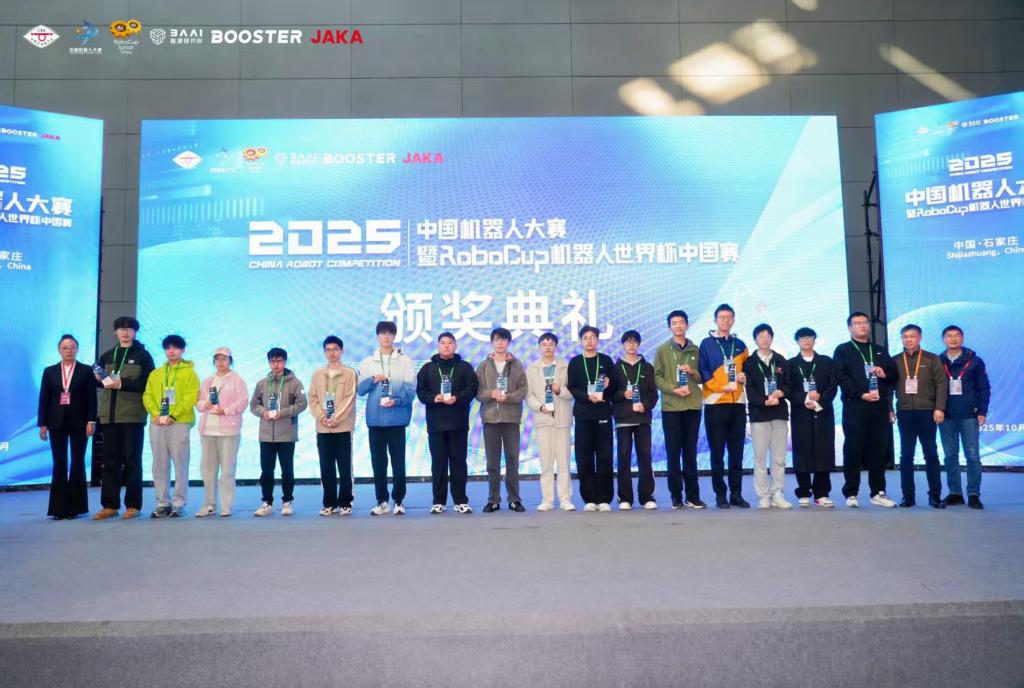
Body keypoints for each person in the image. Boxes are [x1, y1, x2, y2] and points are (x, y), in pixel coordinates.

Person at [92, 316, 155, 520]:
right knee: (109, 462)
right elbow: (99, 381)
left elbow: (148, 384)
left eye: (129, 329)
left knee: (132, 462)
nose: (125, 333)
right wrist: (98, 379)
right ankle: (110, 505)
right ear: (115, 332)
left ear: (135, 332)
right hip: (109, 416)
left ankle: (133, 505)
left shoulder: (143, 356)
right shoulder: (107, 355)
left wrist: (122, 383)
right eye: (121, 329)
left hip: (132, 416)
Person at [833, 312, 899, 508]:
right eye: (857, 323)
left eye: (865, 323)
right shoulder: (843, 350)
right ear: (849, 328)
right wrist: (861, 394)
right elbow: (840, 377)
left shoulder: (878, 350)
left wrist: (884, 373)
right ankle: (851, 493)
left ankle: (878, 492)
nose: (862, 326)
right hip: (856, 406)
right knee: (853, 449)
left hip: (878, 406)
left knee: (878, 449)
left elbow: (894, 375)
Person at [357, 321, 415, 516]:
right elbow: (360, 390)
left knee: (398, 463)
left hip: (397, 420)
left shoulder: (405, 361)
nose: (386, 337)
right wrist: (373, 380)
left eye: (390, 333)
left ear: (394, 336)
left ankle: (399, 501)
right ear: (377, 336)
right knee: (378, 464)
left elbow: (411, 390)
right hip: (376, 421)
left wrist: (396, 400)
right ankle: (382, 501)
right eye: (382, 333)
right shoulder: (368, 362)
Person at [417, 332, 478, 514]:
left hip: (458, 423)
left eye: (450, 343)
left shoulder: (465, 367)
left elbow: (472, 389)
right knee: (438, 463)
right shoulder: (428, 368)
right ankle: (438, 501)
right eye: (443, 343)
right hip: (436, 424)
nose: (446, 346)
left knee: (459, 462)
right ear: (438, 346)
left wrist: (457, 397)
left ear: (455, 346)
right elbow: (421, 391)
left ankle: (461, 500)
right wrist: (433, 398)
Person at [37, 334, 96, 519]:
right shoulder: (49, 371)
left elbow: (91, 398)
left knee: (78, 462)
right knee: (59, 463)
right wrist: (43, 424)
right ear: (59, 350)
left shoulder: (86, 370)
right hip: (56, 422)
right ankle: (58, 509)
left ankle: (75, 508)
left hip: (80, 422)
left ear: (77, 349)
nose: (69, 351)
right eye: (65, 347)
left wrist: (91, 421)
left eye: (72, 347)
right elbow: (44, 398)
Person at [142, 335, 200, 518]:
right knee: (159, 464)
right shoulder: (156, 373)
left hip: (179, 422)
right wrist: (155, 414)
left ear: (183, 350)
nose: (171, 351)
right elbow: (147, 396)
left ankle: (179, 503)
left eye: (175, 348)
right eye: (168, 348)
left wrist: (173, 415)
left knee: (180, 464)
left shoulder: (190, 373)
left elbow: (191, 397)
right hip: (157, 423)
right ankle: (162, 503)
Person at [699, 304, 750, 508]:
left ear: (733, 320)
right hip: (715, 404)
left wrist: (744, 377)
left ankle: (736, 493)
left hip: (738, 404)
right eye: (722, 317)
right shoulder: (706, 344)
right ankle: (720, 494)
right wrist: (721, 387)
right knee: (717, 452)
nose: (726, 320)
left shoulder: (741, 345)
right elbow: (703, 371)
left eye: (729, 317)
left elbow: (749, 370)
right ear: (715, 321)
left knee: (737, 453)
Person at [653, 310, 705, 509]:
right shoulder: (662, 350)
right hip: (672, 407)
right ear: (669, 327)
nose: (678, 326)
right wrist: (673, 389)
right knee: (673, 453)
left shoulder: (695, 349)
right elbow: (657, 377)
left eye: (681, 322)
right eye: (674, 323)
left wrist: (692, 372)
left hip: (692, 406)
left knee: (690, 453)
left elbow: (702, 377)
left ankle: (693, 495)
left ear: (687, 325)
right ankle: (676, 496)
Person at [892, 324, 947, 509]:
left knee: (931, 454)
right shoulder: (895, 360)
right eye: (905, 336)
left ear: (920, 338)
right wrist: (889, 409)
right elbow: (888, 387)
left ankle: (935, 496)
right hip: (905, 413)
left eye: (912, 336)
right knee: (906, 455)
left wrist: (939, 408)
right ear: (901, 338)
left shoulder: (932, 359)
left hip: (927, 412)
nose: (908, 340)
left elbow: (941, 385)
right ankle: (908, 496)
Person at [476, 327, 529, 513]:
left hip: (511, 419)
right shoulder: (483, 366)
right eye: (497, 339)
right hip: (490, 420)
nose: (500, 343)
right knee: (492, 463)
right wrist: (491, 394)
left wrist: (509, 397)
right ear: (492, 342)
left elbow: (523, 390)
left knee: (513, 461)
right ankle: (493, 500)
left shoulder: (517, 365)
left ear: (509, 342)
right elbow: (477, 392)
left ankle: (514, 499)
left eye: (504, 339)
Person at [250, 347, 307, 517]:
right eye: (272, 361)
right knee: (266, 471)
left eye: (279, 361)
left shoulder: (295, 383)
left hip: (286, 434)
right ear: (269, 363)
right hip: (266, 434)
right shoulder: (262, 383)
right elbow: (253, 405)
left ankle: (287, 501)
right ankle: (267, 502)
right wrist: (264, 412)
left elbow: (302, 404)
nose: (276, 364)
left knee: (287, 471)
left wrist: (283, 413)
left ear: (285, 361)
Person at [938, 325, 990, 509]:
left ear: (962, 338)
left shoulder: (975, 361)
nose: (953, 339)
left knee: (973, 456)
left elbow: (984, 388)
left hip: (969, 415)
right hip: (946, 415)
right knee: (950, 456)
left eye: (957, 336)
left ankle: (974, 494)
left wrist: (982, 411)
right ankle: (955, 493)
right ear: (943, 339)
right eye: (949, 336)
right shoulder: (937, 361)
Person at [567, 325, 618, 512]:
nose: (589, 341)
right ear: (581, 341)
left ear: (597, 340)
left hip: (603, 412)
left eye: (593, 337)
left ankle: (604, 498)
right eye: (586, 338)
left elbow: (615, 386)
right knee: (584, 457)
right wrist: (587, 396)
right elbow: (572, 387)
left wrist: (607, 387)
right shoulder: (575, 362)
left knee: (605, 456)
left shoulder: (606, 360)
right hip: (583, 414)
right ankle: (589, 498)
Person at [786, 328, 838, 507]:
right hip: (800, 414)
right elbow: (788, 389)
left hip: (823, 412)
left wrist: (818, 402)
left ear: (815, 340)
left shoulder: (826, 362)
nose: (806, 340)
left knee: (824, 452)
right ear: (797, 341)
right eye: (802, 338)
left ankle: (821, 493)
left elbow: (833, 385)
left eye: (810, 337)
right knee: (802, 451)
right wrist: (806, 398)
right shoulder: (791, 364)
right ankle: (803, 492)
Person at [743, 324, 792, 510]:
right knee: (760, 458)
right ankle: (763, 495)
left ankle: (777, 493)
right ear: (755, 339)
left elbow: (789, 384)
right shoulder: (749, 362)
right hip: (759, 414)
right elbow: (749, 390)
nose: (764, 339)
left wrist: (780, 393)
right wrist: (764, 401)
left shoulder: (780, 360)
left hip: (779, 413)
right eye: (760, 336)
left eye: (767, 335)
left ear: (772, 338)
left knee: (779, 457)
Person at [195, 347, 248, 517]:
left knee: (227, 470)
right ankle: (209, 504)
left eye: (224, 359)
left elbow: (243, 402)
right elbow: (198, 403)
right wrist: (204, 405)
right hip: (208, 430)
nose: (221, 362)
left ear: (230, 361)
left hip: (228, 431)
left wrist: (225, 410)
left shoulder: (237, 380)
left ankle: (226, 505)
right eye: (218, 359)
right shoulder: (208, 381)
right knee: (207, 470)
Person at [309, 336, 358, 516]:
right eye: (328, 350)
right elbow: (313, 399)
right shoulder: (317, 374)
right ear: (324, 352)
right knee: (326, 467)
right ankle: (329, 503)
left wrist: (337, 418)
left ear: (341, 351)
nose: (332, 353)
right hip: (323, 428)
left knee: (345, 467)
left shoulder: (350, 373)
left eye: (335, 349)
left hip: (343, 427)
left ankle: (346, 502)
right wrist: (322, 417)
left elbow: (350, 398)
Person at [525, 332, 575, 511]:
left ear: (556, 347)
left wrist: (560, 390)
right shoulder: (532, 369)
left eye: (551, 344)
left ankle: (565, 499)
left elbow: (573, 392)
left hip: (562, 420)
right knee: (546, 463)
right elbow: (528, 395)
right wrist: (540, 407)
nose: (547, 347)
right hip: (543, 420)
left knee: (563, 462)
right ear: (539, 347)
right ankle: (547, 499)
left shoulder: (565, 366)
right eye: (544, 344)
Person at [611, 330, 659, 510]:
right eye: (628, 342)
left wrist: (645, 406)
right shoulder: (615, 368)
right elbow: (610, 394)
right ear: (623, 344)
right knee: (623, 457)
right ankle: (624, 498)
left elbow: (653, 394)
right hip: (623, 418)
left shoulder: (647, 367)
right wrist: (623, 393)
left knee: (645, 457)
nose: (631, 345)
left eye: (634, 342)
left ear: (639, 344)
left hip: (642, 418)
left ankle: (647, 497)